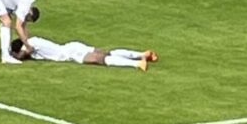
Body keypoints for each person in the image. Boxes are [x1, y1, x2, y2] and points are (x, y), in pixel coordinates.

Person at [10, 37, 157, 72]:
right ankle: (142, 54)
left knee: (101, 59)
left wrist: (10, 55)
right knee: (107, 53)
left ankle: (137, 63)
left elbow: (22, 56)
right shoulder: (34, 39)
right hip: (72, 45)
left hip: (70, 53)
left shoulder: (28, 44)